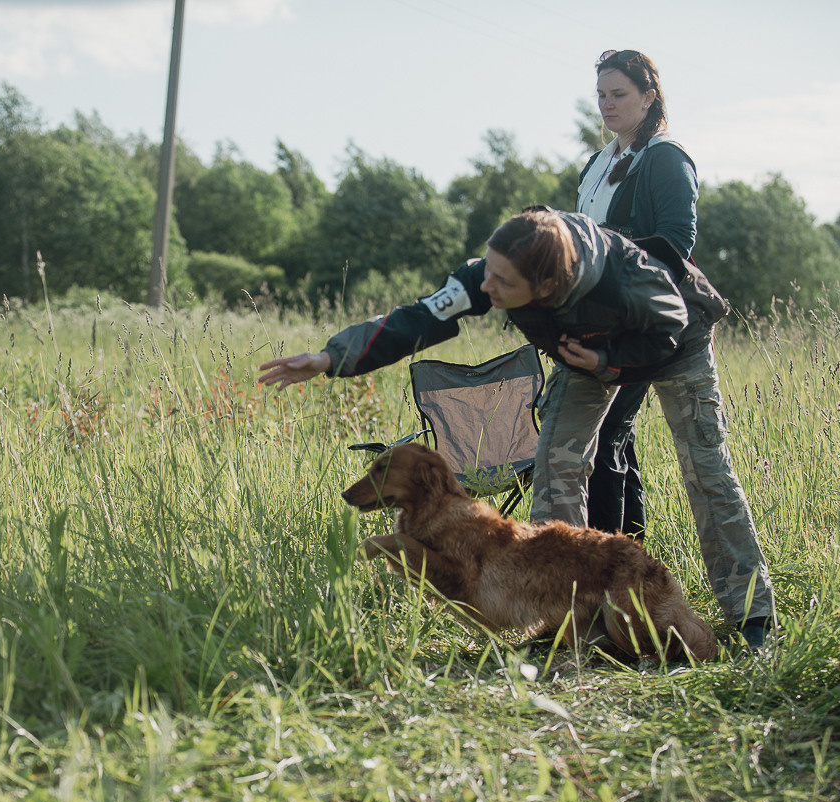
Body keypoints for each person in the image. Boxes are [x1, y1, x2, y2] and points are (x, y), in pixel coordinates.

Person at [257, 207, 776, 647]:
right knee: (555, 460)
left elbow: (669, 326)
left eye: (503, 283)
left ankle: (751, 617)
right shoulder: (494, 275)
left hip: (673, 341)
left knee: (705, 470)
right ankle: (566, 621)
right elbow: (419, 318)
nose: (487, 287)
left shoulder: (627, 281)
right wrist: (332, 358)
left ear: (546, 286)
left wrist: (607, 361)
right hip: (583, 350)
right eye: (488, 272)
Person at [577, 49, 699, 543]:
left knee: (606, 433)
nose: (606, 104)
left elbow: (677, 242)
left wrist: (620, 284)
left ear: (648, 98)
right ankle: (630, 555)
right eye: (601, 95)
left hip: (644, 321)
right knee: (613, 436)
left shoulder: (665, 157)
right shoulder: (597, 162)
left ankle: (610, 561)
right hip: (594, 321)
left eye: (618, 94)